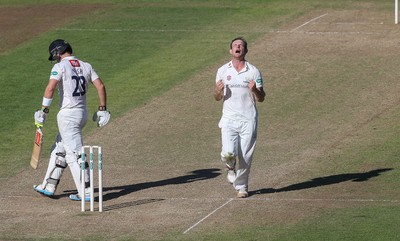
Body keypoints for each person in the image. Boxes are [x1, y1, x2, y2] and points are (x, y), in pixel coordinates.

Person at [33, 39, 110, 201]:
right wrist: (102, 109)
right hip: (82, 114)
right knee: (59, 149)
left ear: (58, 52)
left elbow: (51, 88)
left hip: (68, 116)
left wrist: (44, 111)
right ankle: (49, 185)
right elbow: (100, 86)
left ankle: (86, 192)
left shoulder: (60, 66)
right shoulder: (86, 65)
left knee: (74, 155)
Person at [213, 37, 265, 198]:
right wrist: (218, 90)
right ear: (231, 51)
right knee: (229, 152)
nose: (238, 47)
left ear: (245, 51)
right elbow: (216, 97)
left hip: (248, 119)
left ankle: (241, 186)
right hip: (229, 118)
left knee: (245, 156)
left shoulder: (253, 71)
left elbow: (261, 98)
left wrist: (255, 89)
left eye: (241, 46)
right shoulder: (222, 70)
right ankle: (229, 167)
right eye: (235, 45)